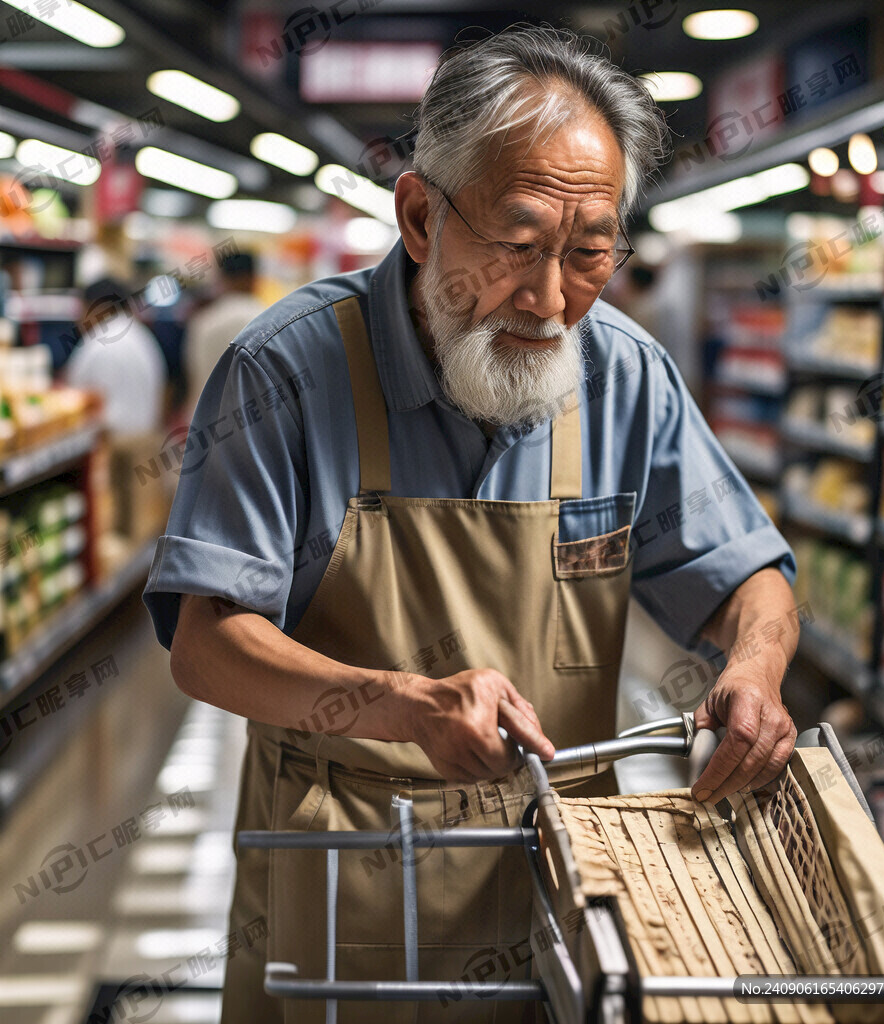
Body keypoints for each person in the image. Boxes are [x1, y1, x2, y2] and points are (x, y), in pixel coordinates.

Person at [144, 25, 799, 1024]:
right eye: (518, 247)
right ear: (419, 216)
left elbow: (748, 574)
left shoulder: (625, 377)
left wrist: (754, 665)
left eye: (589, 254)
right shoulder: (284, 371)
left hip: (566, 886)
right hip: (347, 887)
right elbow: (207, 643)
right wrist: (402, 704)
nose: (550, 301)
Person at [64, 277, 167, 436]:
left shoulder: (100, 342)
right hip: (145, 440)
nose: (79, 320)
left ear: (97, 308)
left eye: (82, 310)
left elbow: (80, 406)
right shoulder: (143, 337)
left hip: (114, 444)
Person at [183, 251, 264, 418]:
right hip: (253, 421)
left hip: (204, 419)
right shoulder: (267, 318)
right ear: (253, 277)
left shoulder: (203, 321)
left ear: (222, 278)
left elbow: (192, 377)